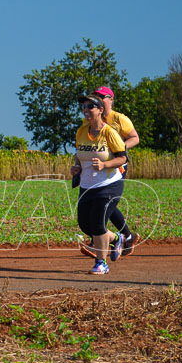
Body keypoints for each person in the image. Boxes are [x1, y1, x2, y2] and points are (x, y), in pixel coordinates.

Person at [71, 94, 128, 275]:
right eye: (84, 107)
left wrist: (104, 165)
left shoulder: (110, 132)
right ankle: (116, 237)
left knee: (97, 223)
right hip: (87, 185)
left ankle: (101, 263)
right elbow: (78, 154)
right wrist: (76, 167)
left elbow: (122, 158)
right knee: (85, 226)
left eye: (91, 106)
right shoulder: (81, 131)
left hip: (109, 185)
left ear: (100, 110)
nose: (86, 110)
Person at [81, 86, 140, 256]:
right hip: (94, 165)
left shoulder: (119, 119)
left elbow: (135, 138)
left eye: (101, 97)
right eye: (95, 97)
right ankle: (126, 237)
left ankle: (99, 240)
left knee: (104, 198)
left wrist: (118, 149)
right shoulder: (90, 119)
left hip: (116, 164)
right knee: (103, 200)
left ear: (110, 99)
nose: (97, 99)